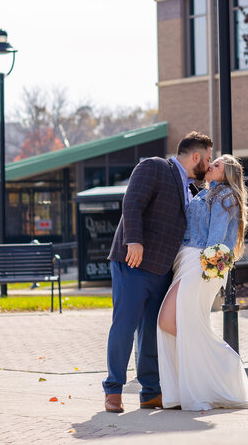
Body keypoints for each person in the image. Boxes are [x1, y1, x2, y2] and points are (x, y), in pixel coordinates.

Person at [103, 132, 213, 413]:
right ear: (196, 157)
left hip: (163, 269)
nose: (209, 165)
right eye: (208, 158)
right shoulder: (154, 166)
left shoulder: (192, 189)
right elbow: (132, 202)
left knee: (151, 332)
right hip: (133, 263)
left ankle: (150, 392)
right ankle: (113, 390)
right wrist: (134, 240)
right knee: (125, 327)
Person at [156, 154, 248, 411]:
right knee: (175, 324)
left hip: (202, 262)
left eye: (216, 165)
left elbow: (216, 238)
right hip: (187, 260)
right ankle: (203, 380)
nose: (210, 165)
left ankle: (226, 366)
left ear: (226, 175)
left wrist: (211, 263)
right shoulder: (206, 193)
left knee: (168, 321)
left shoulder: (225, 196)